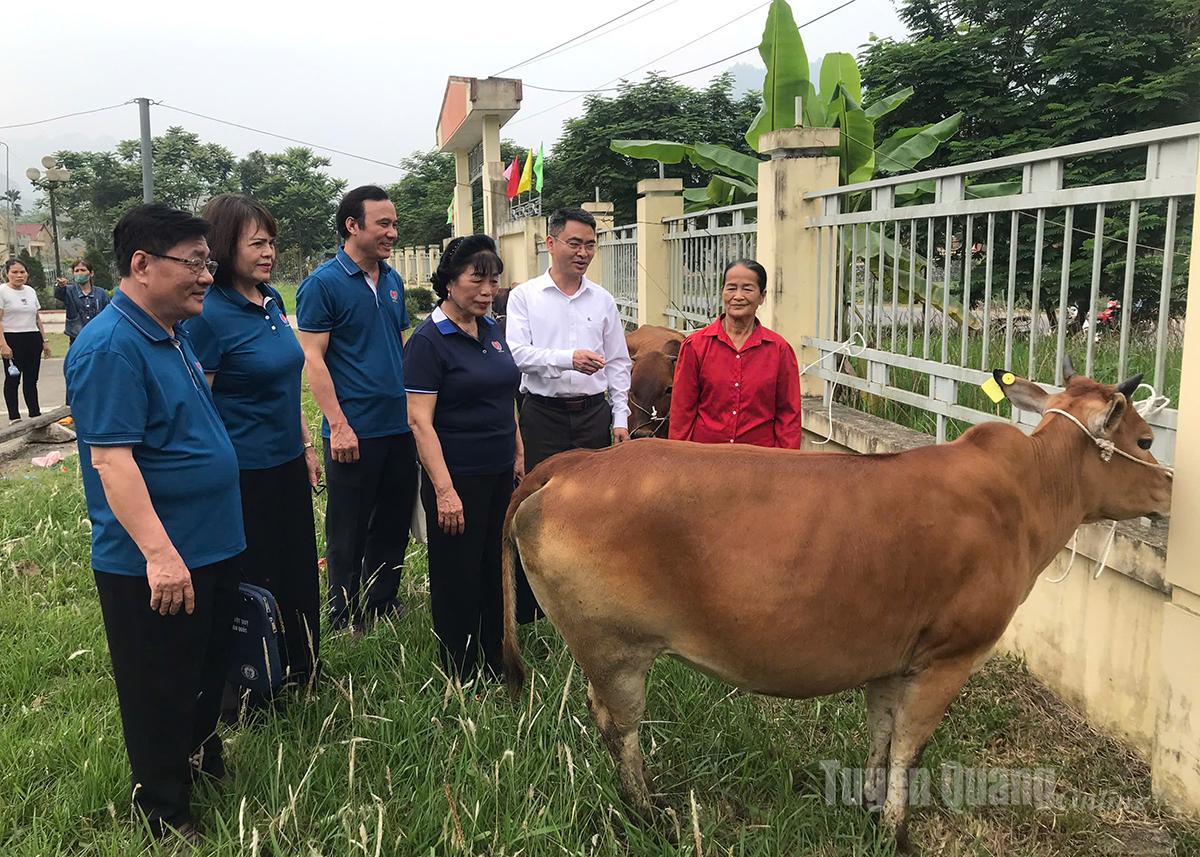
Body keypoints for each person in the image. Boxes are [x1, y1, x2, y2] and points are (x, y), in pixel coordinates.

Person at [64, 204, 244, 845]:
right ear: (141, 265)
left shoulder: (171, 332)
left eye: (208, 262)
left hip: (212, 544)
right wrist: (161, 555)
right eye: (193, 263)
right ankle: (164, 810)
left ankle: (196, 759)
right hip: (157, 558)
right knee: (159, 684)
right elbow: (113, 462)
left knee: (203, 669)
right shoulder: (112, 346)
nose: (205, 276)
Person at [181, 194, 321, 693]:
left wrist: (305, 444)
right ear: (223, 245)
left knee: (299, 569)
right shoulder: (208, 315)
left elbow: (285, 382)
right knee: (258, 577)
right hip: (242, 474)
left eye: (272, 242)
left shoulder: (271, 301)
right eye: (256, 243)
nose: (269, 252)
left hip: (285, 463)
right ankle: (256, 681)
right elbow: (200, 405)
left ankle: (303, 669)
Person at [296, 185, 416, 633]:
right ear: (352, 225)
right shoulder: (322, 284)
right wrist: (338, 425)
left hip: (397, 426)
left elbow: (397, 346)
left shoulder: (392, 280)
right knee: (348, 524)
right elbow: (314, 358)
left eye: (394, 223)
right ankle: (342, 610)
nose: (392, 232)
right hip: (354, 431)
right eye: (383, 224)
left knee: (392, 518)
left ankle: (382, 599)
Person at [404, 235, 523, 681]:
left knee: (496, 565)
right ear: (450, 281)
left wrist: (517, 448)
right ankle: (460, 667)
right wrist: (445, 490)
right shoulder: (428, 341)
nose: (488, 289)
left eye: (493, 279)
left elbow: (504, 392)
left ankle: (496, 656)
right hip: (456, 477)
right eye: (477, 278)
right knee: (458, 573)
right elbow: (420, 422)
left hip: (498, 473)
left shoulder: (491, 329)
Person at [505, 207, 631, 621]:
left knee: (595, 507)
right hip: (543, 414)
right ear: (551, 243)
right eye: (574, 243)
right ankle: (532, 604)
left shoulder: (603, 300)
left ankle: (591, 601)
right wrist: (567, 359)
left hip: (594, 415)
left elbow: (618, 362)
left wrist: (619, 418)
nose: (583, 253)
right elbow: (518, 355)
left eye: (590, 245)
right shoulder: (526, 297)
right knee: (538, 504)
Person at [668, 259, 801, 448]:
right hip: (705, 460)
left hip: (759, 461)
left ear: (762, 296)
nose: (738, 296)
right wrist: (679, 458)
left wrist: (786, 464)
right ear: (722, 292)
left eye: (747, 289)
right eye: (731, 288)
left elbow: (789, 415)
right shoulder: (695, 346)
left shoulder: (779, 350)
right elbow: (682, 412)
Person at [1, 258, 52, 424]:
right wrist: (3, 344)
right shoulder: (2, 291)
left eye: (22, 272)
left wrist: (44, 341)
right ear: (7, 274)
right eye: (14, 272)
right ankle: (14, 417)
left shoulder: (30, 291)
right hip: (12, 338)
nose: (19, 275)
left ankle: (34, 414)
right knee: (13, 379)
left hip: (32, 337)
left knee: (31, 379)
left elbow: (37, 318)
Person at [55, 259, 111, 344]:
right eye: (76, 271)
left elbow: (108, 314)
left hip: (98, 337)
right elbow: (58, 294)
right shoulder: (69, 291)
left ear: (91, 273)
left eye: (83, 270)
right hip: (77, 338)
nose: (80, 273)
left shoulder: (101, 293)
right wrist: (60, 286)